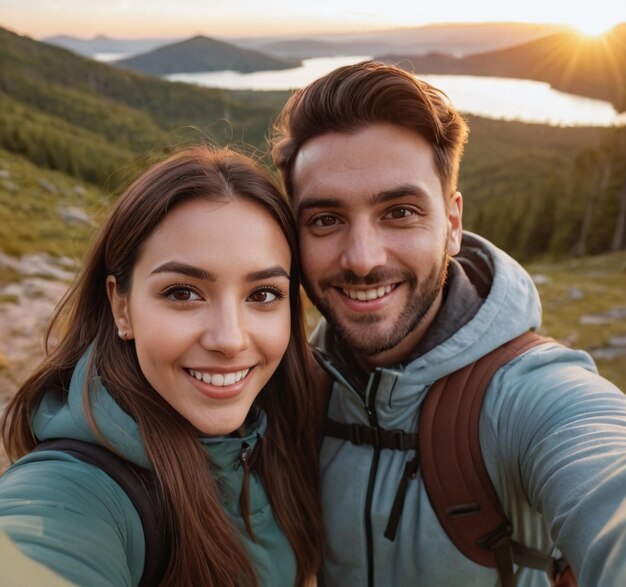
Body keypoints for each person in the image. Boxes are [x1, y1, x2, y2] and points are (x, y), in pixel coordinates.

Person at [272, 60, 626, 586]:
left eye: (400, 212)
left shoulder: (526, 397)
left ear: (453, 224)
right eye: (325, 220)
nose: (363, 258)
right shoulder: (286, 388)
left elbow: (602, 465)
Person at [0, 146, 323, 586]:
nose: (229, 340)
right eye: (183, 293)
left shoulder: (283, 431)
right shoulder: (75, 493)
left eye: (263, 294)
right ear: (122, 306)